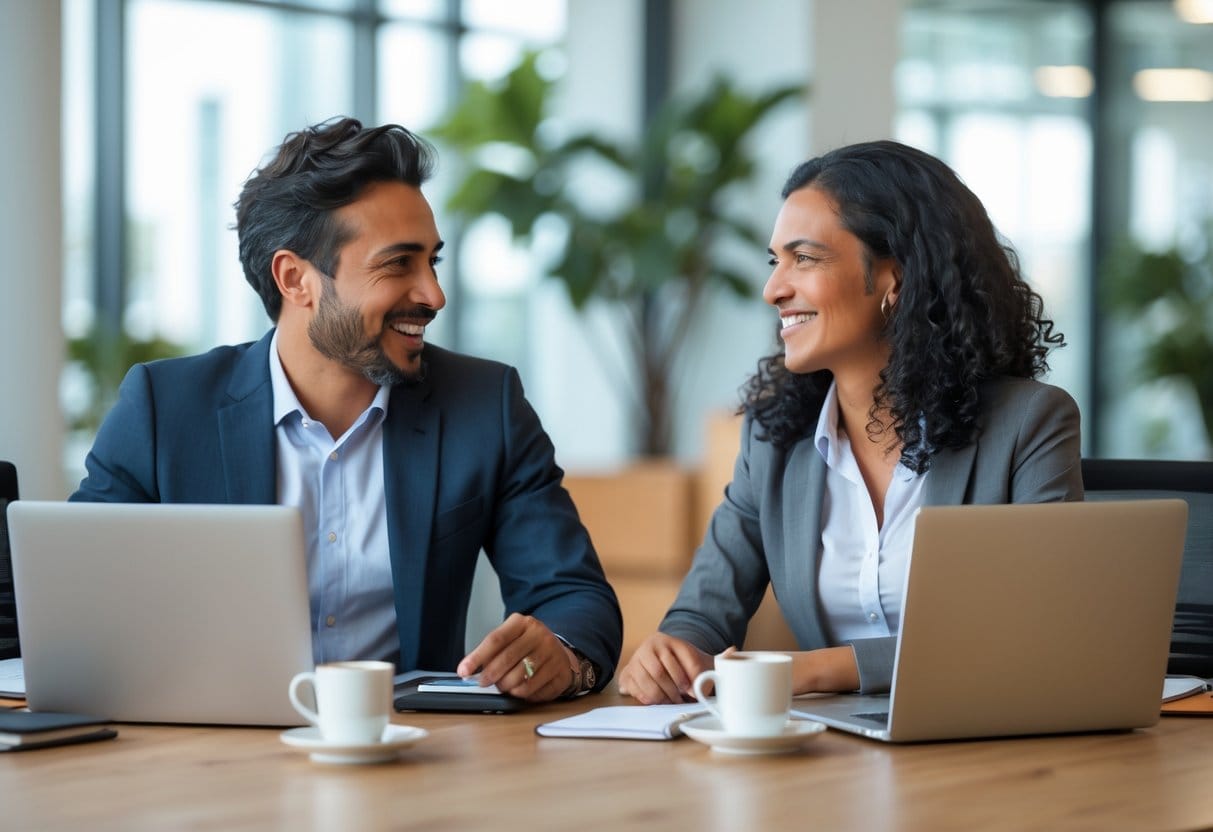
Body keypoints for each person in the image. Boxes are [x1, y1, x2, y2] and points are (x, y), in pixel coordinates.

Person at [71, 117, 622, 702]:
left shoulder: (485, 406)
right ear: (295, 279)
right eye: (397, 264)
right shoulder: (164, 409)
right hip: (203, 754)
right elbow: (76, 600)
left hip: (404, 756)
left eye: (432, 261)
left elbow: (575, 598)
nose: (433, 294)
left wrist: (560, 655)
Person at [618, 140, 1083, 704]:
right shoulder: (773, 438)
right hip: (830, 754)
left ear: (896, 277)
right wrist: (670, 653)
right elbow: (702, 614)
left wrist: (814, 671)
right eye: (775, 261)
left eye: (805, 258)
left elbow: (1032, 631)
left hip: (981, 750)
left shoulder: (1029, 424)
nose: (773, 289)